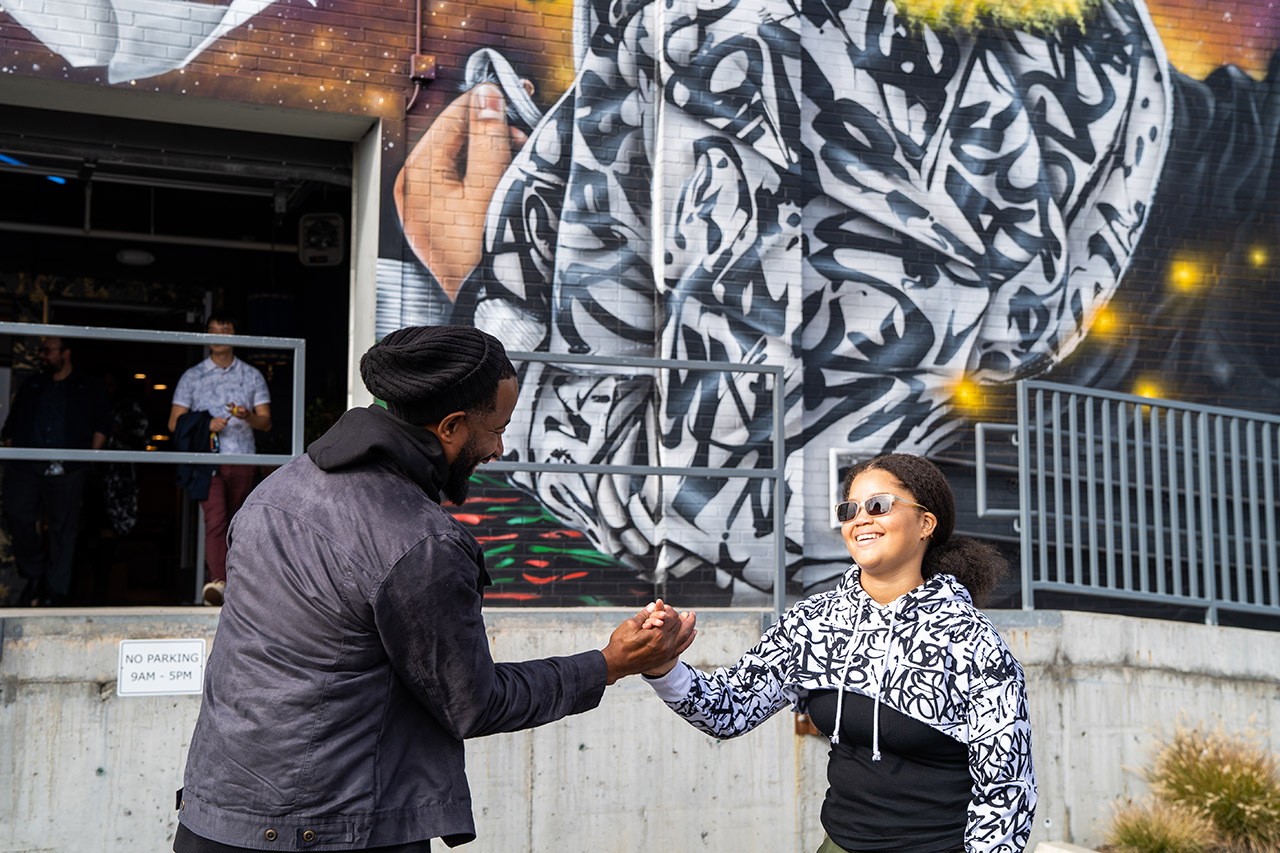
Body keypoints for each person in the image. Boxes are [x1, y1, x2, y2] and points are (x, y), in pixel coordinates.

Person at [173, 324, 697, 852]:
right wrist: (610, 663)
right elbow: (475, 703)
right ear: (449, 427)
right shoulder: (421, 544)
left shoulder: (275, 491)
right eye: (497, 428)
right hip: (332, 834)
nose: (500, 448)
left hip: (209, 821)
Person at [641, 453, 1036, 852]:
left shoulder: (970, 640)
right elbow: (728, 710)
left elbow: (1007, 788)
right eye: (849, 510)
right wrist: (663, 667)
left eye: (879, 505)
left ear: (925, 524)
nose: (860, 519)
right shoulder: (813, 622)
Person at [168, 314, 271, 606]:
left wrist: (246, 415)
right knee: (215, 519)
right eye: (212, 330)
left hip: (242, 457)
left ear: (235, 333)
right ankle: (219, 583)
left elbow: (265, 422)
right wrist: (206, 424)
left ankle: (238, 585)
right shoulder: (193, 376)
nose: (218, 335)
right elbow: (174, 422)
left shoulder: (251, 375)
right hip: (207, 459)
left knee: (239, 522)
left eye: (224, 329)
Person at [1, 336, 111, 606]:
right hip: (28, 467)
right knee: (17, 514)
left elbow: (103, 426)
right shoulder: (33, 384)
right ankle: (35, 575)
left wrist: (87, 461)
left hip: (69, 468)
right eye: (41, 352)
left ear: (65, 353)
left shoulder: (88, 385)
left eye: (48, 351)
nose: (42, 356)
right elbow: (11, 428)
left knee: (64, 530)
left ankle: (55, 592)